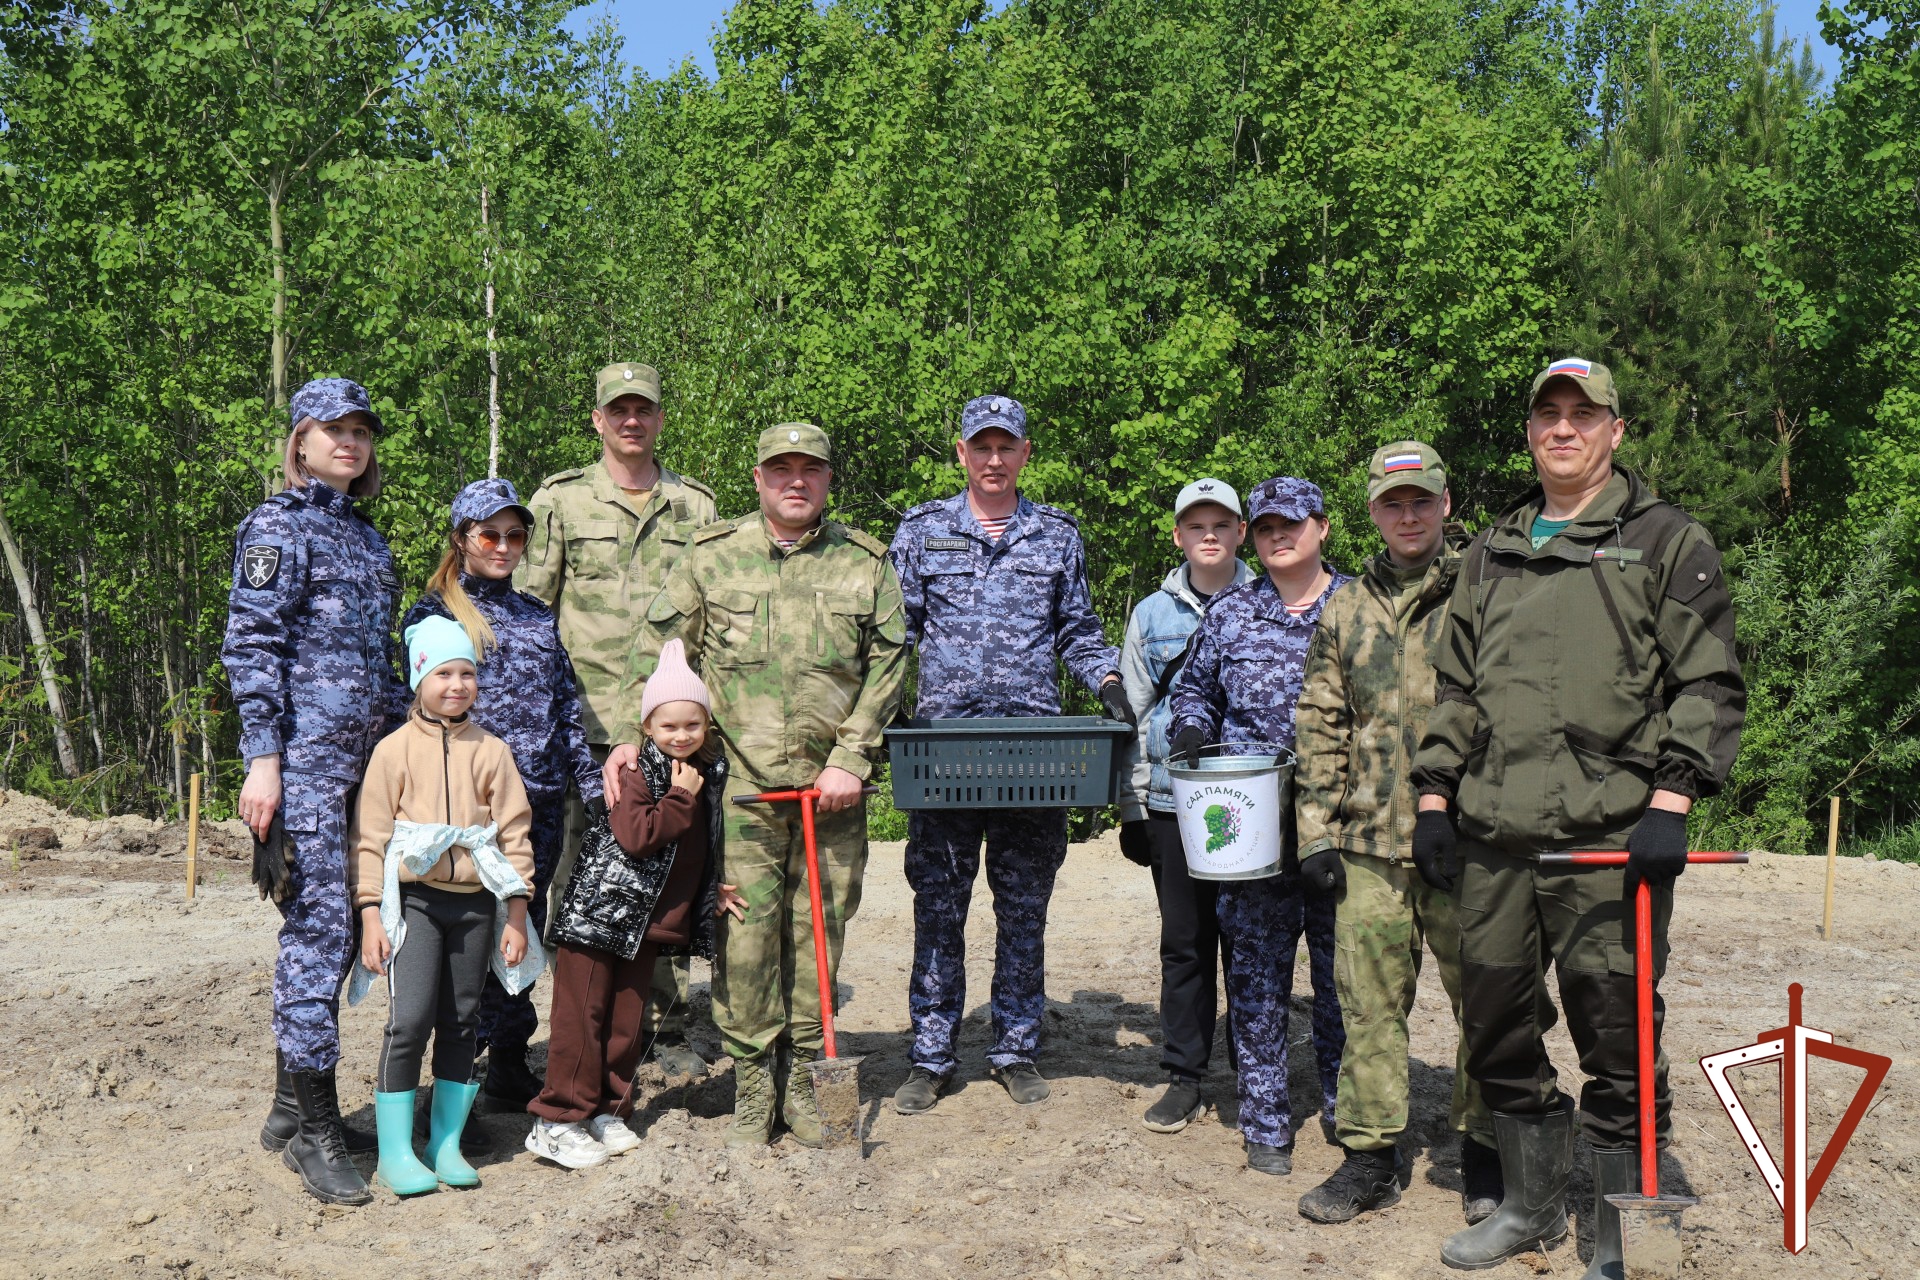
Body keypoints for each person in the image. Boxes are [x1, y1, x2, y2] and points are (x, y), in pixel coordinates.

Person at [1410, 359, 1744, 1274]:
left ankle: (1617, 1233)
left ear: (1615, 430)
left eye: (1583, 415)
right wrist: (1434, 801)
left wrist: (1671, 804)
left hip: (1608, 842)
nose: (1564, 428)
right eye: (1548, 414)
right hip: (1494, 839)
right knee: (1495, 1030)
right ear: (1530, 432)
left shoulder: (1666, 539)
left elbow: (1708, 684)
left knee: (1618, 1037)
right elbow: (1456, 690)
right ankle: (1529, 1206)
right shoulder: (1492, 549)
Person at [605, 423, 906, 1148]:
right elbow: (657, 650)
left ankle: (801, 1082)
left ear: (828, 479)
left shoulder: (865, 564)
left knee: (817, 937)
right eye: (781, 470)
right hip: (740, 792)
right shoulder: (712, 557)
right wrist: (627, 735)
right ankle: (751, 1086)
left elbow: (890, 663)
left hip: (832, 795)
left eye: (810, 470)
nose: (796, 481)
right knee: (743, 940)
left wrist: (852, 757)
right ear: (758, 478)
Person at [888, 394, 1135, 1115]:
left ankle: (1015, 1047)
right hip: (943, 756)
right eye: (981, 446)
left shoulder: (1056, 535)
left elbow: (1077, 630)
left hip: (1034, 754)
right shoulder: (923, 531)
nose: (993, 459)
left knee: (1024, 907)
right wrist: (885, 705)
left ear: (1025, 453)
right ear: (961, 453)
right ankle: (931, 1054)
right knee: (939, 906)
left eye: (1007, 447)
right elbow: (896, 632)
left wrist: (1109, 682)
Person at [1291, 442, 1500, 1224]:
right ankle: (1370, 1157)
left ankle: (1486, 1153)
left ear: (1444, 504)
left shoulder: (1484, 591)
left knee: (1487, 1003)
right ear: (1373, 513)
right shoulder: (1345, 607)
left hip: (1469, 843)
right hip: (1370, 845)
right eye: (1392, 504)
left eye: (1420, 501)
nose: (1408, 516)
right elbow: (1321, 722)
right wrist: (1315, 833)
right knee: (1369, 1007)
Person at [222, 377, 408, 1206]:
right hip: (302, 769)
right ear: (300, 440)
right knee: (319, 934)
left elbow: (382, 665)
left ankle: (287, 1110)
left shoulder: (368, 542)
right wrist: (262, 759)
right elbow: (251, 644)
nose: (350, 442)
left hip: (364, 770)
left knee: (334, 937)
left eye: (361, 431)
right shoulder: (278, 527)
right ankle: (317, 1135)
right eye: (334, 429)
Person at [517, 362, 720, 1081]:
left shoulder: (695, 506)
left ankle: (663, 1029)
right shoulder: (560, 502)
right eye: (619, 410)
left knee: (666, 878)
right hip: (589, 729)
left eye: (644, 409)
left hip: (672, 729)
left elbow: (712, 613)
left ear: (660, 418)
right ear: (598, 419)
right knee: (583, 883)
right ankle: (581, 1026)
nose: (632, 421)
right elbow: (531, 615)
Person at [402, 478, 604, 1107]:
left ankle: (510, 1062)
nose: (503, 546)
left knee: (523, 929)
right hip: (465, 811)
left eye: (515, 535)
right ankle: (456, 1079)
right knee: (464, 943)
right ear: (461, 538)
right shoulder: (435, 616)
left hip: (537, 802)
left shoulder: (537, 615)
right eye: (489, 534)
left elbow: (565, 707)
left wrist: (591, 784)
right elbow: (414, 711)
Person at [1167, 476, 1347, 1176]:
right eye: (1266, 526)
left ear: (1321, 527)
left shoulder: (1357, 605)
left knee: (1342, 979)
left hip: (1341, 825)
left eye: (1290, 524)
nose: (1278, 536)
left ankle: (1344, 1107)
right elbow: (1194, 688)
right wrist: (1190, 729)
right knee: (1256, 977)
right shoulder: (1232, 612)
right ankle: (1266, 1120)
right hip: (1252, 827)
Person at [528, 640, 742, 1168]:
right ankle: (556, 1120)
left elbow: (698, 848)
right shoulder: (638, 772)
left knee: (625, 1023)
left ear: (707, 724)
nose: (681, 735)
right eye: (668, 726)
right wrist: (680, 798)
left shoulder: (704, 773)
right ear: (647, 726)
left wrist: (710, 889)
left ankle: (607, 1109)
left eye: (692, 724)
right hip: (599, 917)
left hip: (642, 925)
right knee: (581, 1018)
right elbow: (637, 836)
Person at [348, 616, 537, 1196]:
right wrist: (371, 915)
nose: (457, 685)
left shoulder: (493, 751)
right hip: (416, 904)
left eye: (467, 673)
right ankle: (396, 1153)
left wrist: (516, 914)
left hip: (476, 904)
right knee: (409, 1022)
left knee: (462, 1021)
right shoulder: (393, 751)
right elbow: (370, 839)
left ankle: (445, 1143)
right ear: (419, 679)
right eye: (443, 673)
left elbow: (514, 834)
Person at [1115, 479, 1253, 1133]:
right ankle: (1184, 1076)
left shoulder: (1270, 601)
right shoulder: (1150, 615)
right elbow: (1136, 715)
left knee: (1251, 944)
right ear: (1177, 536)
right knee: (1185, 943)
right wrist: (1132, 807)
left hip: (1253, 805)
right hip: (1173, 806)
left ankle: (1256, 1074)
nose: (1209, 535)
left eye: (1221, 524)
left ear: (1241, 532)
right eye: (1196, 525)